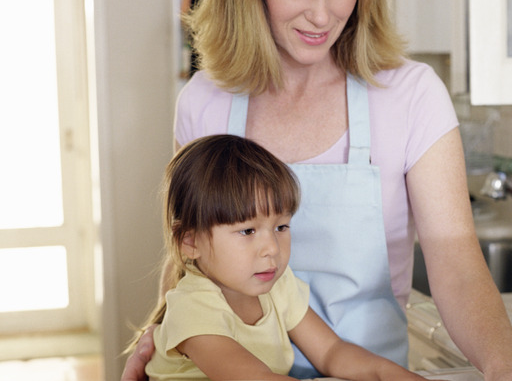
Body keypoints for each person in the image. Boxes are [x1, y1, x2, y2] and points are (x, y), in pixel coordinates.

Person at [124, 0, 512, 379]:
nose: (321, 14)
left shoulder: (412, 96)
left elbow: (457, 262)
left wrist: (508, 370)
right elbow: (188, 258)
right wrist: (159, 333)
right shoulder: (204, 101)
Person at [131, 134, 430, 381]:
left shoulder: (279, 286)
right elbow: (254, 378)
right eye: (247, 231)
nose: (272, 248)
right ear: (190, 241)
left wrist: (390, 374)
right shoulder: (192, 306)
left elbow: (331, 352)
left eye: (281, 227)